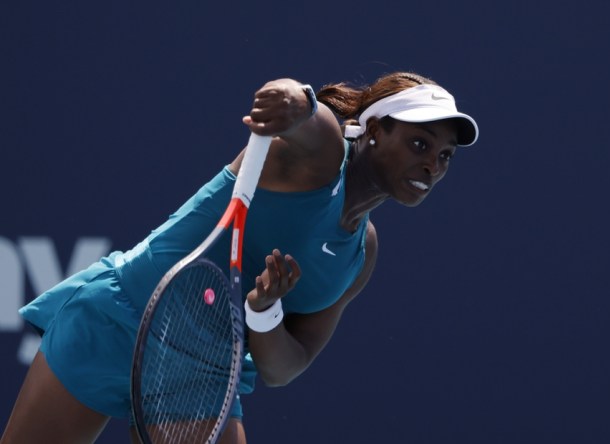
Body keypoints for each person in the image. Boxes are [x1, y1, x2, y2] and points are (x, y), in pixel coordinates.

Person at [0, 71, 479, 444]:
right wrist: (293, 99)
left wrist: (264, 311)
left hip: (201, 374)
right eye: (420, 144)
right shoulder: (323, 155)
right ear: (374, 130)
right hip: (119, 318)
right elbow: (303, 115)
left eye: (445, 156)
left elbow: (284, 367)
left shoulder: (362, 252)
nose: (432, 166)